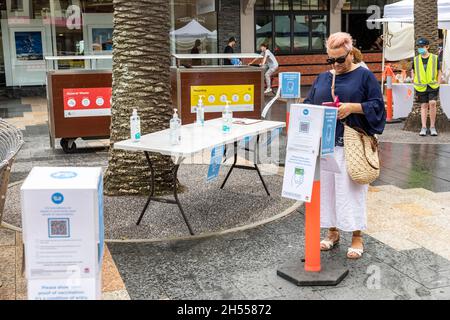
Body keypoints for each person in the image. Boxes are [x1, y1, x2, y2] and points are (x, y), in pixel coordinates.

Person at [303, 32, 386, 260]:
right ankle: (332, 232)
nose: (336, 64)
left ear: (351, 53)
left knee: (352, 191)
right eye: (331, 60)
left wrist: (352, 107)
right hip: (325, 144)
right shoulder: (323, 78)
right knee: (328, 191)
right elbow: (310, 103)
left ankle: (356, 236)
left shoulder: (364, 76)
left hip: (351, 144)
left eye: (340, 59)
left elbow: (378, 107)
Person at [411, 38, 442, 137]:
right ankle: (424, 127)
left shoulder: (434, 58)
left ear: (427, 47)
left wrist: (438, 82)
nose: (420, 49)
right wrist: (414, 80)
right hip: (421, 86)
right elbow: (413, 70)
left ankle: (432, 127)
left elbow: (439, 70)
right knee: (424, 106)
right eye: (419, 47)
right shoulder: (415, 59)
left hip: (432, 85)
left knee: (432, 103)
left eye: (422, 47)